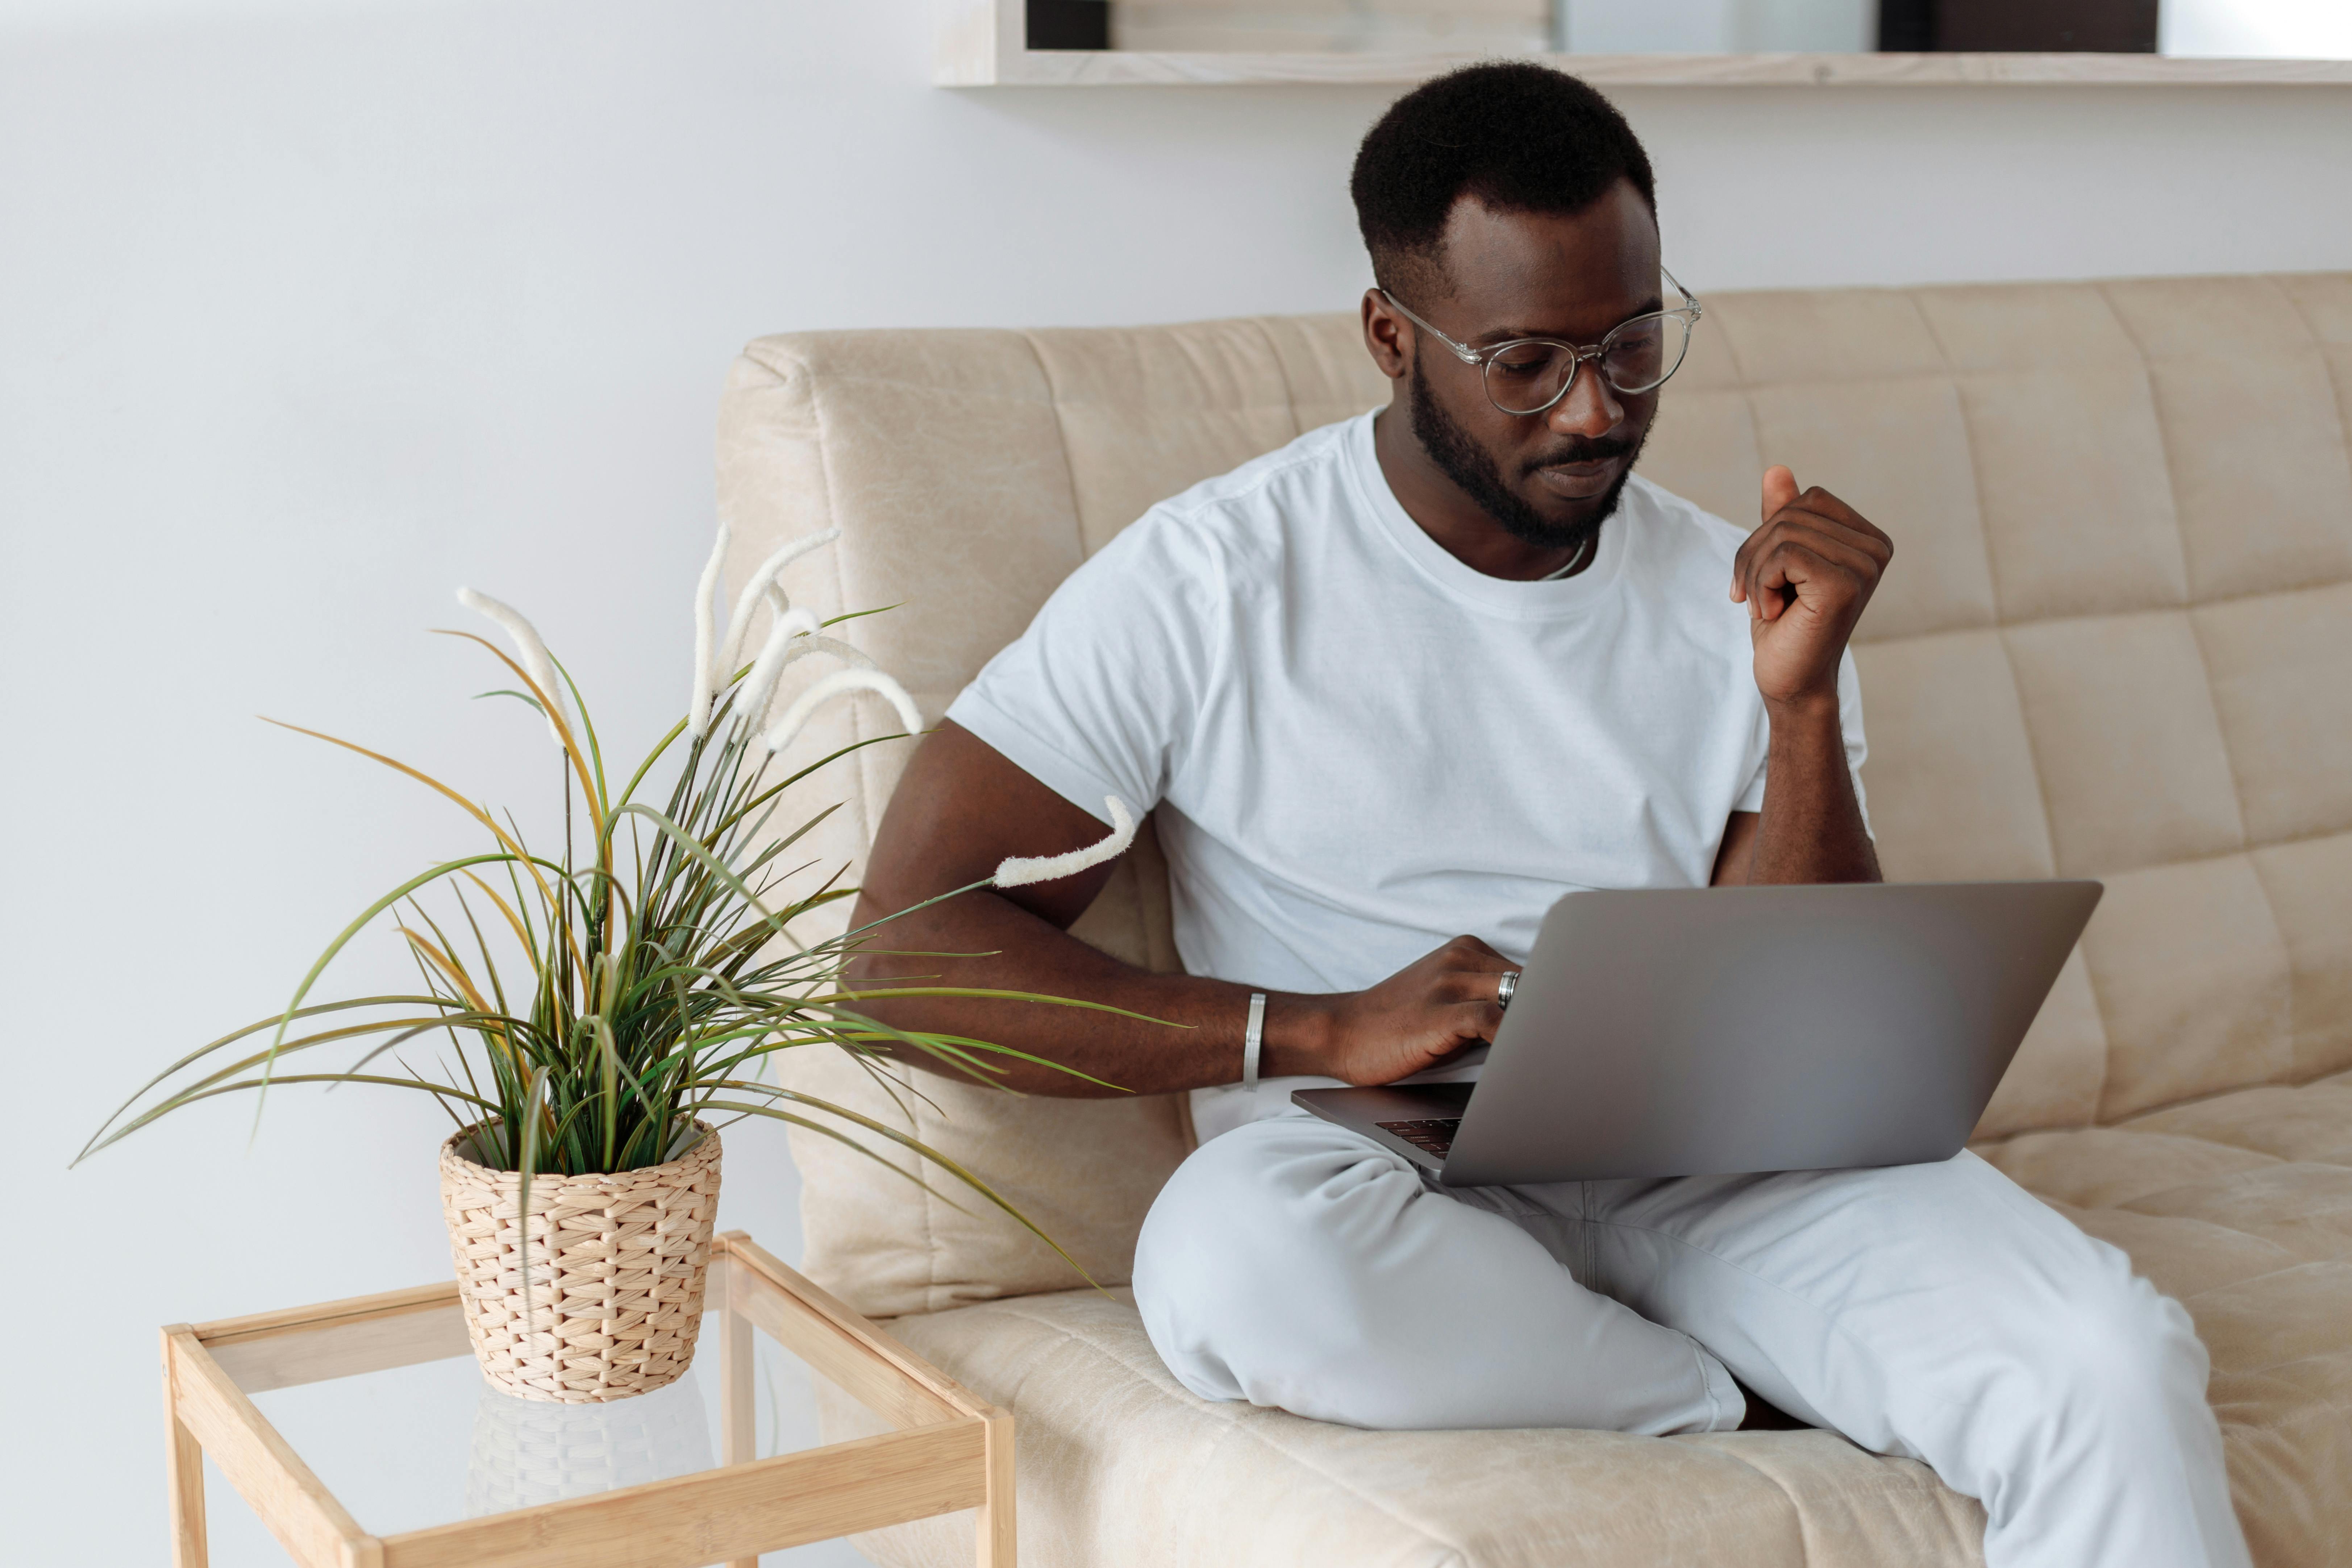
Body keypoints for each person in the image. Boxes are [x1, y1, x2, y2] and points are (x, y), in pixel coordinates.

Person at [842, 62, 2249, 1568]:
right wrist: (1316, 1027)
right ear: (1393, 334)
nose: (1595, 410)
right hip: (1375, 1169)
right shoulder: (1209, 584)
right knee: (1228, 1256)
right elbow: (902, 961)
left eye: (1633, 346)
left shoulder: (1738, 592)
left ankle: (1733, 1352)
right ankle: (1723, 1392)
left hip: (1714, 1156)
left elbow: (1807, 1009)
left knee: (2109, 1353)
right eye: (1524, 360)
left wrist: (1801, 706)